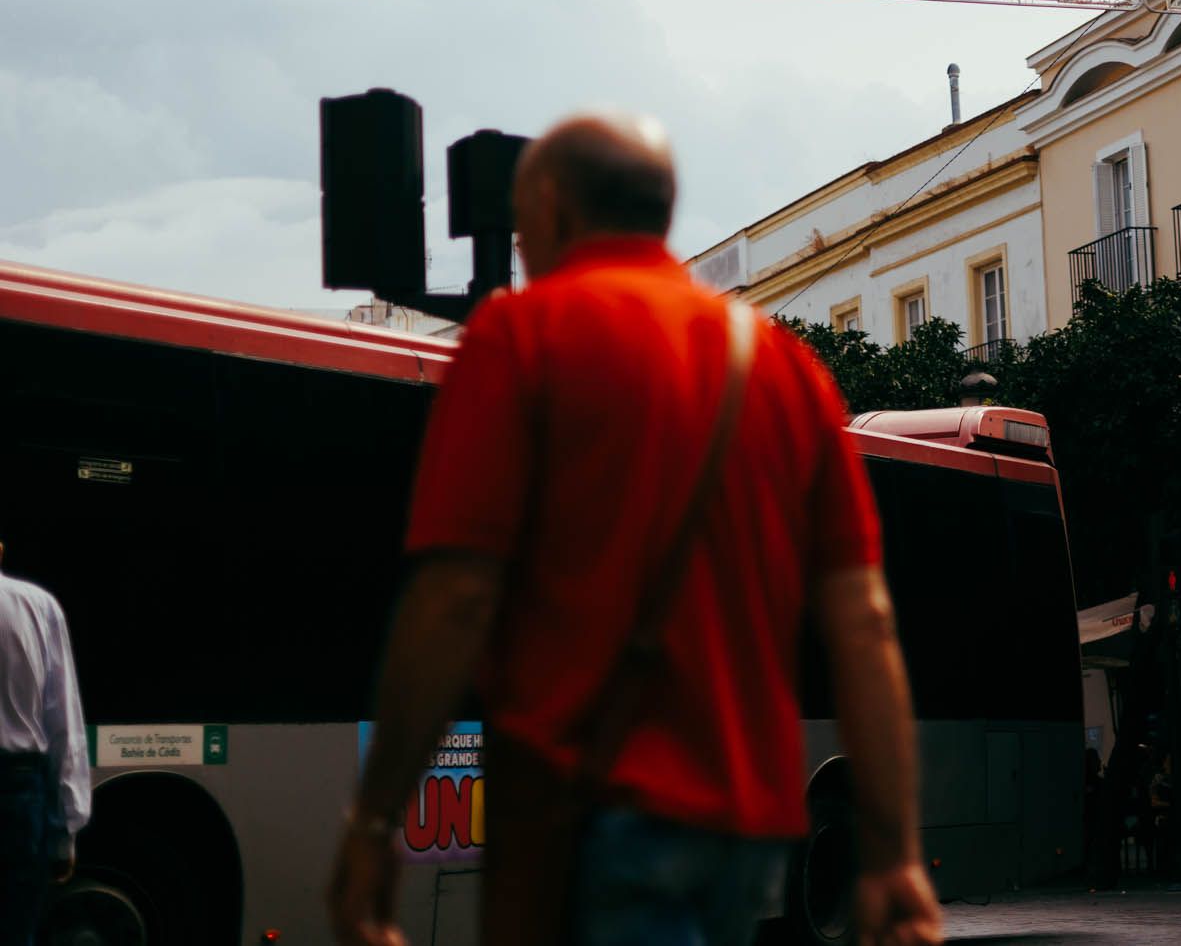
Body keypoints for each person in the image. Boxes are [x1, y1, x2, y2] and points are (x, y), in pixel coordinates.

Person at [327, 113, 942, 946]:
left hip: (588, 814)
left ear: (548, 207)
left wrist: (373, 822)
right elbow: (865, 625)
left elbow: (455, 600)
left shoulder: (520, 337)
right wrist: (896, 853)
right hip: (750, 829)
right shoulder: (781, 367)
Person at [0, 541, 90, 946]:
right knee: (15, 927)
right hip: (16, 794)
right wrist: (65, 832)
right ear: (0, 551)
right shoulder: (38, 607)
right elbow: (63, 722)